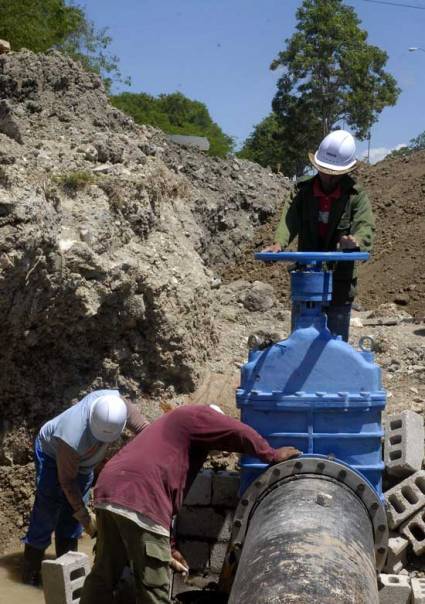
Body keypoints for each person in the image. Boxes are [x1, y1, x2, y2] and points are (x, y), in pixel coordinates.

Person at [79, 404, 301, 604]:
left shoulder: (171, 440)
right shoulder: (199, 415)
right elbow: (237, 430)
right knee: (153, 586)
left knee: (104, 573)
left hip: (110, 490)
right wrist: (270, 453)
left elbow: (167, 509)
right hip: (140, 496)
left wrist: (170, 547)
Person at [22, 389, 149, 586]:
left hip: (85, 463)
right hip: (52, 454)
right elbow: (67, 482)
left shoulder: (117, 407)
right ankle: (31, 572)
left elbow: (146, 431)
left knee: (70, 522)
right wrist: (85, 516)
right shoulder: (71, 436)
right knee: (48, 510)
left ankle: (67, 570)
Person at [264, 129, 374, 341]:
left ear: (346, 170)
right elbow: (289, 220)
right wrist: (278, 244)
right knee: (301, 338)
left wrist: (356, 241)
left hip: (340, 280)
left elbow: (365, 225)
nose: (328, 176)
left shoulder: (355, 196)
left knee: (336, 341)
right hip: (307, 280)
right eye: (324, 170)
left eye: (334, 172)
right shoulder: (302, 191)